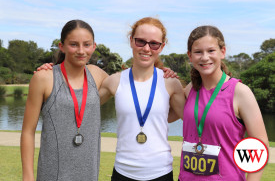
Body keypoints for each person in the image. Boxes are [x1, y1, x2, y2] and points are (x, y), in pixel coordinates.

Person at [176, 25, 269, 181]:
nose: (204, 57)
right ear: (190, 56)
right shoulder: (190, 89)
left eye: (211, 51)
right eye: (198, 52)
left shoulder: (240, 92)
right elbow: (166, 113)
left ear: (222, 52)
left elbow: (259, 144)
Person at [21, 19, 109, 181]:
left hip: (89, 175)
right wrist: (27, 176)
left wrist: (165, 73)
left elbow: (132, 85)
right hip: (52, 175)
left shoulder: (96, 74)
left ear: (94, 46)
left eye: (87, 44)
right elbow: (28, 131)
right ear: (62, 46)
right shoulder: (44, 78)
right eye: (74, 44)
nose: (81, 51)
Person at [98, 17, 185, 181]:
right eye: (140, 41)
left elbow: (190, 118)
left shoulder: (171, 83)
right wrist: (55, 71)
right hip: (123, 172)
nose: (146, 48)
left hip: (161, 173)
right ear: (131, 41)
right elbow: (84, 106)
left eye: (154, 43)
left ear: (162, 47)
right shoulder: (114, 81)